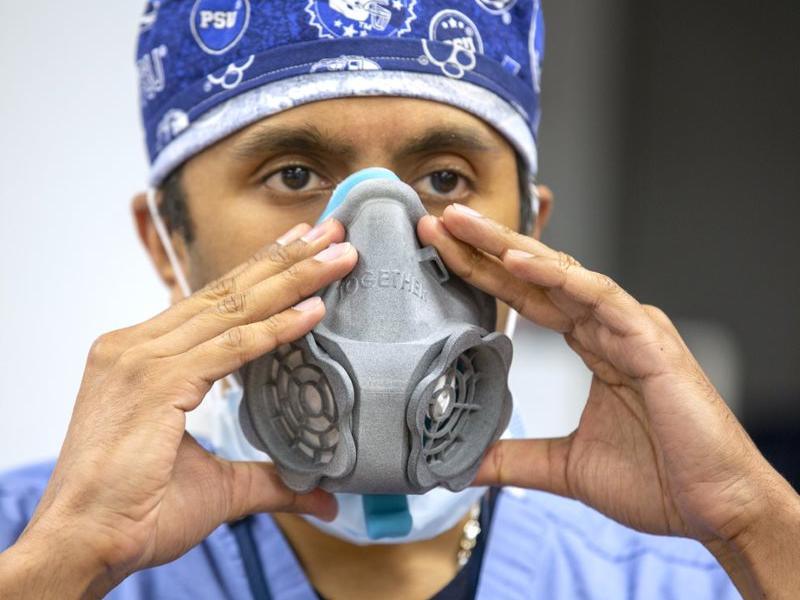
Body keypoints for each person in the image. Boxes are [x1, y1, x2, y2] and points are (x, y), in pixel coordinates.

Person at [1, 2, 798, 598]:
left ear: (529, 229)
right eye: (294, 175)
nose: (382, 241)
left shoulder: (689, 570)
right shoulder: (33, 539)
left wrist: (749, 521)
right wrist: (66, 563)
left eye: (444, 180)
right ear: (166, 244)